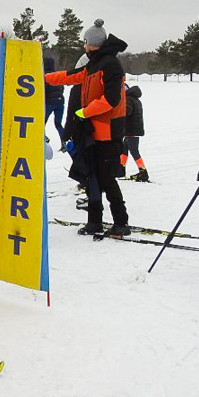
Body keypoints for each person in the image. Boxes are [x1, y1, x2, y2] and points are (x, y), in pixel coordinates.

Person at [45, 19, 129, 237]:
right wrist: (43, 79)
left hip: (109, 133)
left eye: (85, 42)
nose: (83, 45)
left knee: (107, 179)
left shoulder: (110, 65)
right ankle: (94, 222)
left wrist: (85, 112)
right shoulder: (94, 63)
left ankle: (121, 222)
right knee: (92, 177)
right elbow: (70, 76)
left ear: (93, 44)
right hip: (92, 132)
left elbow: (110, 100)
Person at [121, 84, 148, 182]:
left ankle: (143, 172)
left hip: (131, 130)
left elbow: (127, 112)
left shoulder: (128, 99)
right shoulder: (136, 100)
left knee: (134, 151)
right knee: (124, 149)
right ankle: (120, 169)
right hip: (133, 130)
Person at [43, 57, 65, 140]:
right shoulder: (57, 75)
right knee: (58, 124)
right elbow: (62, 88)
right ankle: (64, 142)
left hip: (49, 103)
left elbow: (44, 91)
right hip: (60, 102)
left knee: (42, 123)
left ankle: (43, 138)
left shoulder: (45, 76)